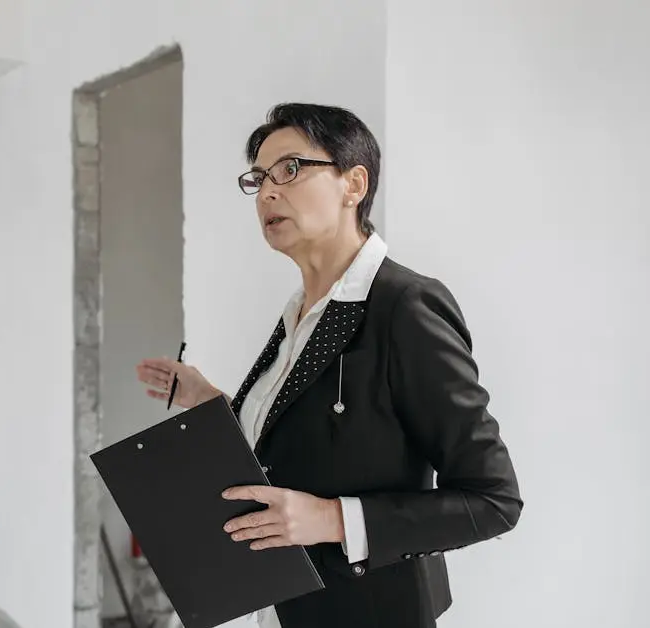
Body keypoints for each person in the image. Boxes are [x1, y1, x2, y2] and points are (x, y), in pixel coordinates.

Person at [135, 103, 522, 628]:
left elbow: (493, 500)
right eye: (259, 178)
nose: (268, 192)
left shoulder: (405, 306)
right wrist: (210, 402)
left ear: (353, 184)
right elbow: (304, 443)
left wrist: (332, 518)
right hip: (272, 608)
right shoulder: (300, 312)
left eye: (289, 169)